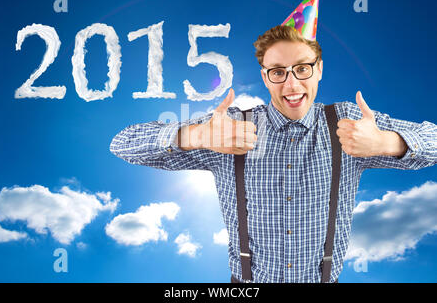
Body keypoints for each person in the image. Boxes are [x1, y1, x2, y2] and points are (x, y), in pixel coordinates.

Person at [109, 24, 436, 283]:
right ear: (265, 77)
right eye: (278, 72)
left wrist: (390, 143)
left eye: (302, 69)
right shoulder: (229, 130)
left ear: (319, 69)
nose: (291, 85)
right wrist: (197, 135)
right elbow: (123, 143)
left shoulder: (350, 124)